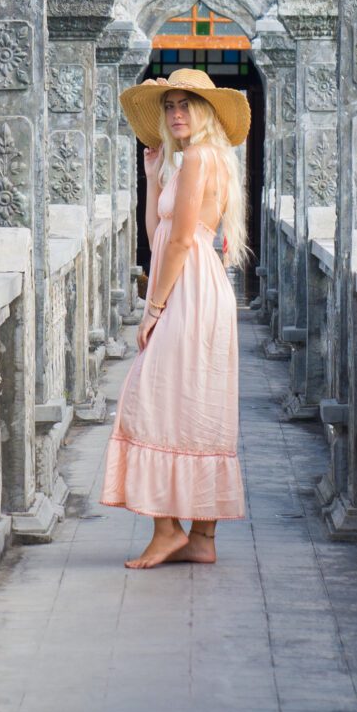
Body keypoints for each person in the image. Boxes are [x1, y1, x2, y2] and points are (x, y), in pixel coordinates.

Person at [102, 68, 250, 569]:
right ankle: (201, 539)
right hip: (199, 286)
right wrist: (151, 175)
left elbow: (183, 241)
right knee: (198, 401)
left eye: (187, 104)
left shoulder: (200, 160)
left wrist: (154, 308)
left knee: (150, 397)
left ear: (206, 112)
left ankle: (167, 529)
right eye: (169, 105)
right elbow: (158, 232)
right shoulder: (200, 161)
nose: (176, 113)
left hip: (188, 288)